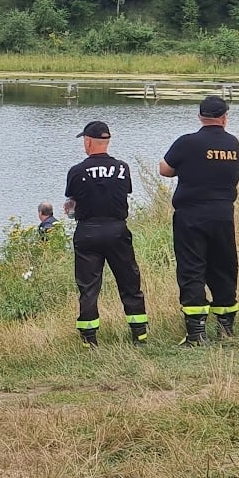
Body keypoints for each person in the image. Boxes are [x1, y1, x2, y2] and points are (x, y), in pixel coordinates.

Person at [159, 95, 239, 345]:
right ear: (224, 117)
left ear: (200, 116)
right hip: (223, 214)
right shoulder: (232, 144)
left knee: (192, 268)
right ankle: (226, 327)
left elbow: (164, 169)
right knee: (224, 267)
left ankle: (196, 332)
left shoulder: (187, 142)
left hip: (191, 215)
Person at [65, 120, 149, 347]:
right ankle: (139, 334)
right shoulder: (123, 168)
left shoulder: (77, 171)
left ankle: (89, 339)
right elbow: (122, 193)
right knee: (129, 281)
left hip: (88, 231)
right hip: (117, 229)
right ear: (107, 141)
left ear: (88, 141)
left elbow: (73, 200)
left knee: (88, 287)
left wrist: (72, 207)